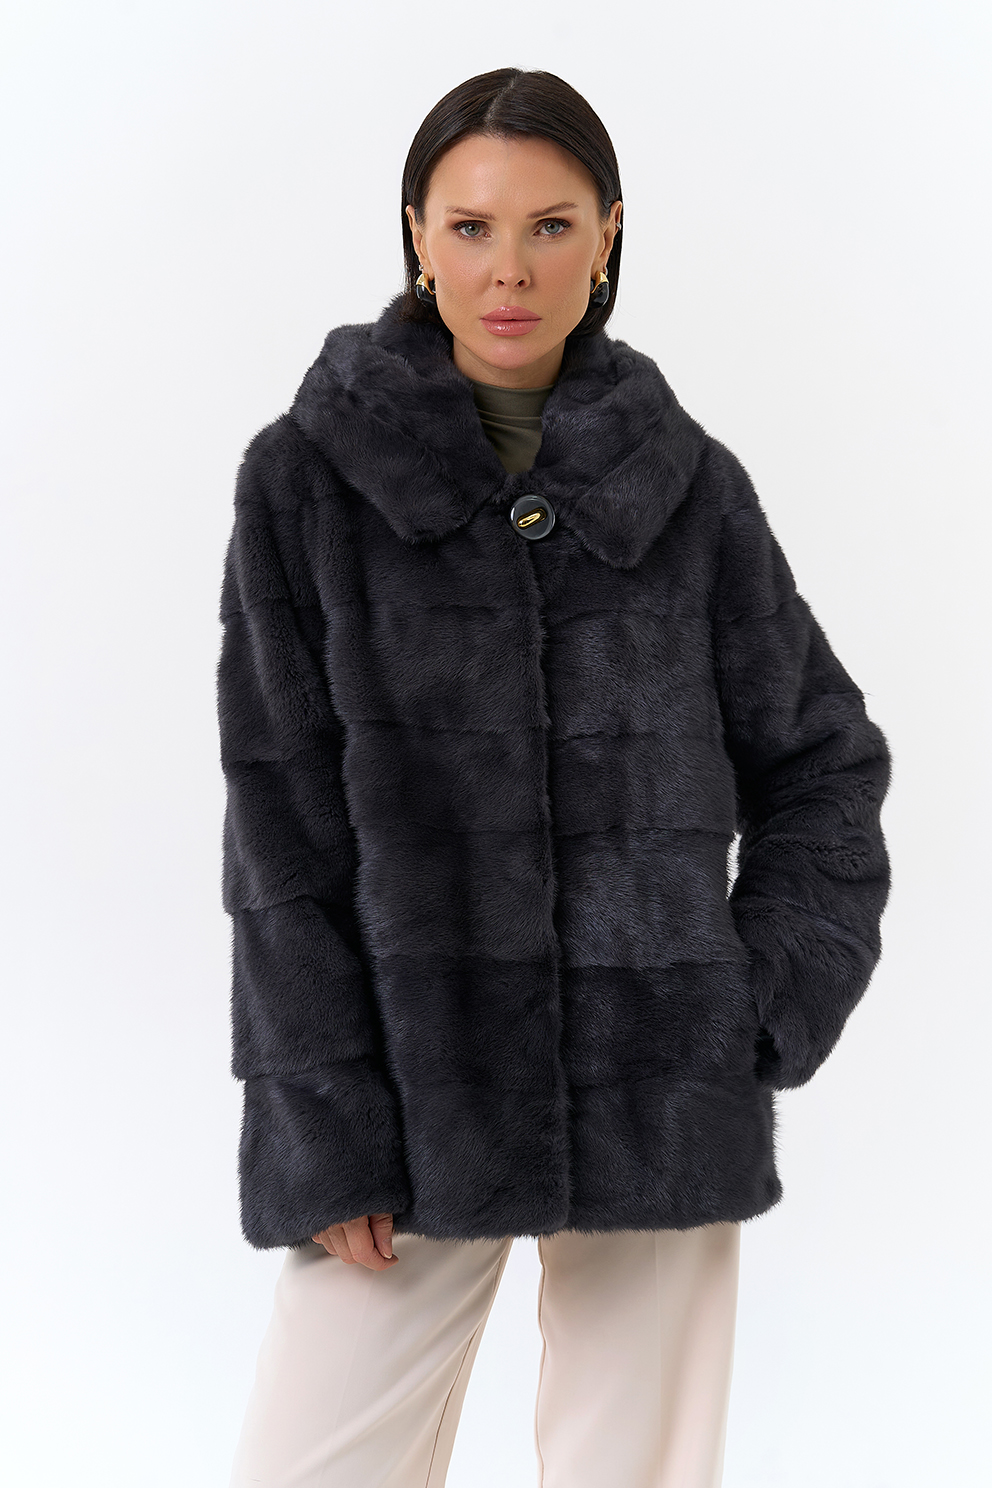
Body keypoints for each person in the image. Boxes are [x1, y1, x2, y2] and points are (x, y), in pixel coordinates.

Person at [217, 67, 891, 1488]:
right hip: (409, 1083)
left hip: (660, 1084)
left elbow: (826, 763)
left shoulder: (687, 488)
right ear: (417, 234)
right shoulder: (308, 483)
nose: (509, 269)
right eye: (471, 227)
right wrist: (325, 1123)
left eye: (550, 225)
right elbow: (280, 833)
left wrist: (756, 1006)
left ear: (609, 233)